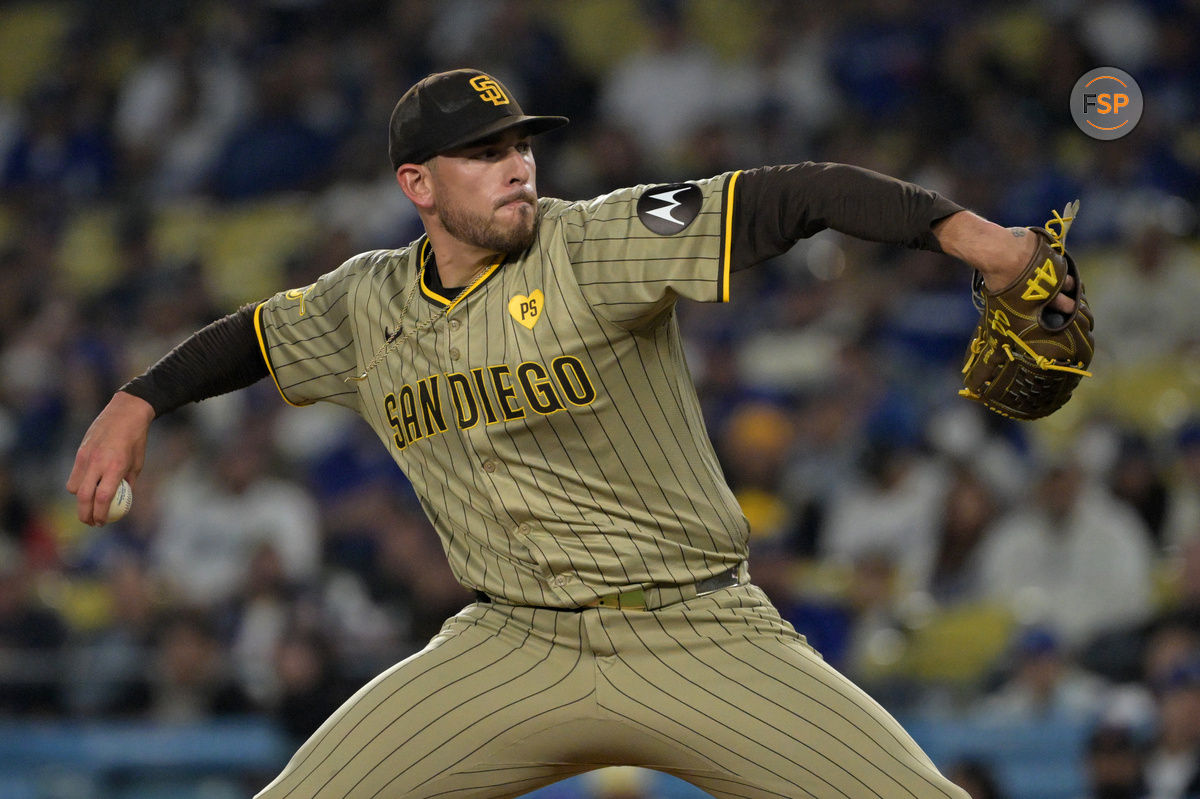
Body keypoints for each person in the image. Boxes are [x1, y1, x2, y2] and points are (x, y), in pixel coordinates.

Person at [67, 68, 1080, 799]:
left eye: (520, 144)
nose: (515, 167)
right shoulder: (363, 301)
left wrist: (977, 238)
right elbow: (251, 337)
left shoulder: (595, 240)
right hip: (513, 640)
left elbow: (797, 195)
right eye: (482, 153)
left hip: (698, 632)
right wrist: (138, 400)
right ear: (417, 184)